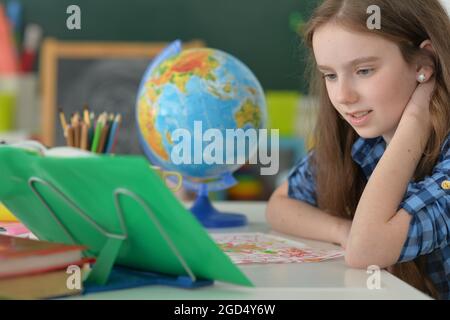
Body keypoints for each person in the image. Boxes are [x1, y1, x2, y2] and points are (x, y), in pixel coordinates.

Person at [266, 0, 450, 299]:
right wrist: (343, 231)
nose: (343, 96)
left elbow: (366, 250)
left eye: (364, 70)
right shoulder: (366, 143)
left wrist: (415, 122)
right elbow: (280, 205)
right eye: (330, 75)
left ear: (423, 63)